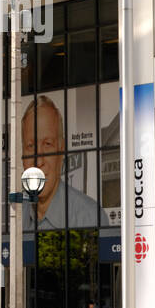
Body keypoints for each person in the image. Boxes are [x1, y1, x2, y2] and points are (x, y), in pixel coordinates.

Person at [21, 96, 109, 230]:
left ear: (61, 151)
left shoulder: (89, 217)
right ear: (22, 157)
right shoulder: (14, 217)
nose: (38, 162)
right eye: (30, 146)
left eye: (48, 144)